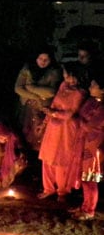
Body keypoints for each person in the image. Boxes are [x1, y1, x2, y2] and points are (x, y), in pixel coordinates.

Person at [38, 61, 88, 203]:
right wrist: (44, 123)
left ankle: (62, 190)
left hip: (67, 129)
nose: (67, 79)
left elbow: (69, 114)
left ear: (77, 76)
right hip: (53, 127)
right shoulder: (63, 86)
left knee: (61, 159)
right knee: (47, 157)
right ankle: (48, 188)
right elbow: (54, 105)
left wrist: (53, 113)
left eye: (69, 76)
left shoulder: (80, 93)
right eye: (65, 76)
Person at [67, 67, 104, 221]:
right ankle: (84, 205)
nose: (90, 88)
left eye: (94, 86)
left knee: (90, 179)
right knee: (84, 178)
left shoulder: (102, 107)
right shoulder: (91, 101)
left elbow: (90, 125)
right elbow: (82, 118)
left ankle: (89, 210)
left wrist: (79, 120)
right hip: (83, 142)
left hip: (94, 147)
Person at [13, 45, 62, 155]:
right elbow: (18, 88)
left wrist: (31, 88)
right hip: (27, 108)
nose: (43, 62)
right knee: (25, 134)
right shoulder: (27, 68)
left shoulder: (54, 71)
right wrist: (37, 96)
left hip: (42, 109)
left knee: (39, 135)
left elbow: (52, 92)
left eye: (46, 60)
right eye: (40, 59)